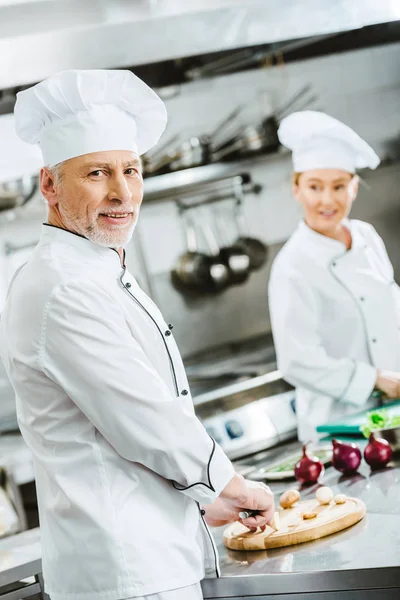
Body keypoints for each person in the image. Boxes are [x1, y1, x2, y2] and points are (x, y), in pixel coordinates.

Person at [0, 70, 275, 600]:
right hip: (123, 572)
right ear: (50, 185)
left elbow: (116, 435)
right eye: (98, 173)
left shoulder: (96, 267)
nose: (123, 193)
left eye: (132, 170)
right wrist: (229, 482)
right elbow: (142, 415)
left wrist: (201, 496)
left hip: (146, 556)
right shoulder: (64, 287)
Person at [268, 110, 400, 442]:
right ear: (297, 189)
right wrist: (375, 379)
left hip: (391, 413)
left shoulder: (367, 236)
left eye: (339, 186)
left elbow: (390, 307)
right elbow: (297, 360)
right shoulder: (292, 265)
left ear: (354, 188)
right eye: (315, 187)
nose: (327, 200)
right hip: (338, 430)